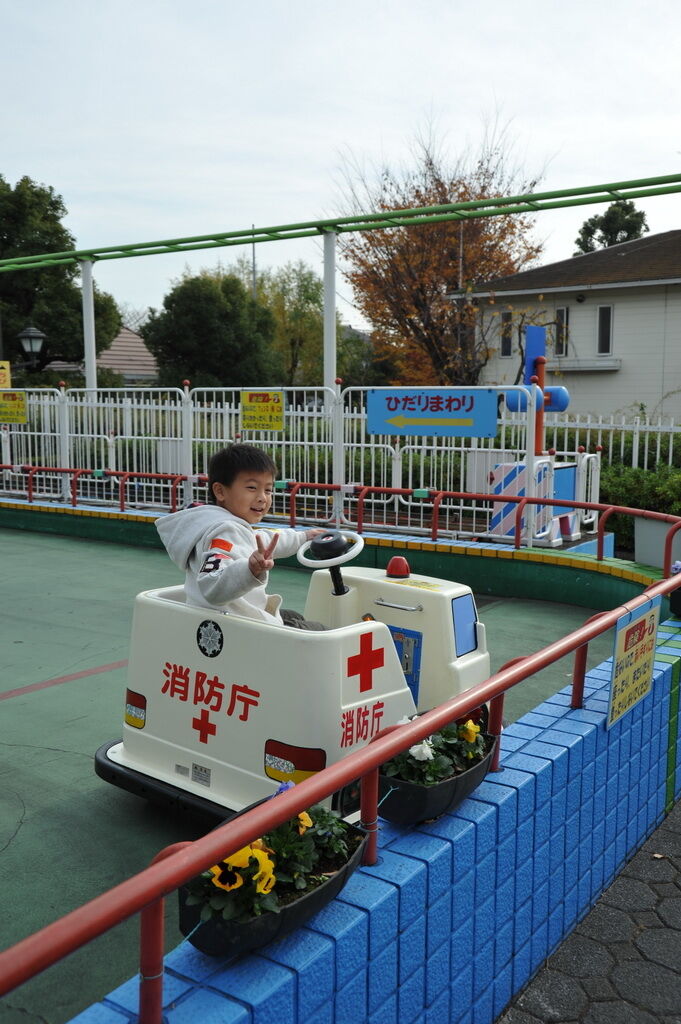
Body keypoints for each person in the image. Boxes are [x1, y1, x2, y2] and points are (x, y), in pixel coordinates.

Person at [156, 444, 325, 628]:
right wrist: (249, 570)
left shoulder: (224, 526)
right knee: (321, 631)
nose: (262, 498)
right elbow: (212, 584)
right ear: (220, 491)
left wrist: (304, 537)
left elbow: (264, 539)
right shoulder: (225, 531)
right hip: (237, 627)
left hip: (228, 618)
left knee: (293, 615)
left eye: (268, 490)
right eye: (252, 488)